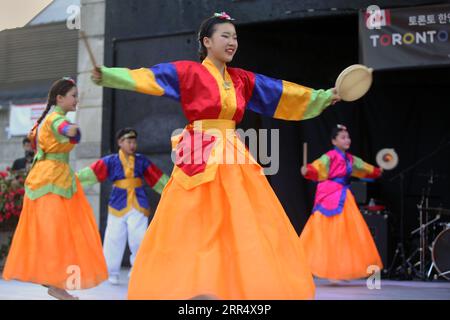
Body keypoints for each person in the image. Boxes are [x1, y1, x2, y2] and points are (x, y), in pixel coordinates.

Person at [91, 12, 340, 299]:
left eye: (235, 37)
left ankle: (232, 287)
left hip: (233, 150)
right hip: (198, 150)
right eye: (225, 36)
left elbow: (281, 94)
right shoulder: (189, 72)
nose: (232, 42)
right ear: (207, 41)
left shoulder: (241, 80)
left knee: (241, 219)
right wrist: (110, 75)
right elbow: (150, 77)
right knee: (193, 219)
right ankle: (191, 285)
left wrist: (323, 96)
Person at [2, 78, 108, 300]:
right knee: (57, 234)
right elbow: (67, 130)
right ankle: (54, 282)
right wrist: (74, 129)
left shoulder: (54, 118)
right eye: (73, 96)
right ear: (60, 98)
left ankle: (57, 284)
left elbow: (72, 134)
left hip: (58, 180)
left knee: (63, 234)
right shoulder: (55, 119)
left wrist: (75, 131)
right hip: (50, 182)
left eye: (77, 96)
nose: (76, 100)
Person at [77, 127, 169, 285]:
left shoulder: (142, 160)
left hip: (138, 203)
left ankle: (138, 270)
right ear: (120, 142)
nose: (132, 145)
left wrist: (173, 189)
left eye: (134, 142)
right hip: (117, 203)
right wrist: (71, 180)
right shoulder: (110, 161)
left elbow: (157, 178)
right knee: (113, 238)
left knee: (139, 238)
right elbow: (91, 173)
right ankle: (111, 271)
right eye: (129, 141)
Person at [299, 124, 383, 281]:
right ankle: (314, 266)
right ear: (334, 141)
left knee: (345, 233)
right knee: (323, 231)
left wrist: (377, 171)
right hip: (328, 193)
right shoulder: (329, 156)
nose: (347, 140)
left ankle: (339, 269)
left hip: (343, 195)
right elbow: (317, 167)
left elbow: (364, 168)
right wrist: (308, 170)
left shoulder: (351, 159)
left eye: (348, 137)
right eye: (343, 137)